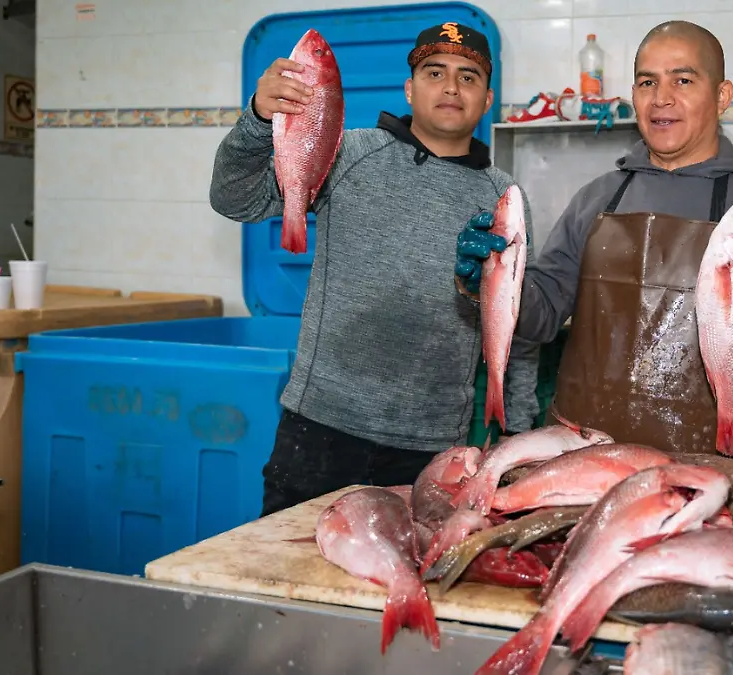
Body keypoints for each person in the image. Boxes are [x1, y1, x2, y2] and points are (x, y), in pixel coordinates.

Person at [454, 20, 733, 465]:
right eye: (648, 82)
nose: (661, 98)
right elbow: (544, 313)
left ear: (722, 95)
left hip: (702, 468)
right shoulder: (598, 197)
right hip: (584, 457)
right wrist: (491, 282)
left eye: (682, 80)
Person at [210, 22, 540, 517]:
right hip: (321, 425)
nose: (451, 87)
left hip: (432, 442)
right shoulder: (346, 152)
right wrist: (258, 119)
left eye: (468, 77)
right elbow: (235, 199)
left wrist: (518, 429)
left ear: (487, 99)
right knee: (290, 558)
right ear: (409, 89)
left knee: (412, 563)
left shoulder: (506, 198)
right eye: (435, 72)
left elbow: (517, 326)